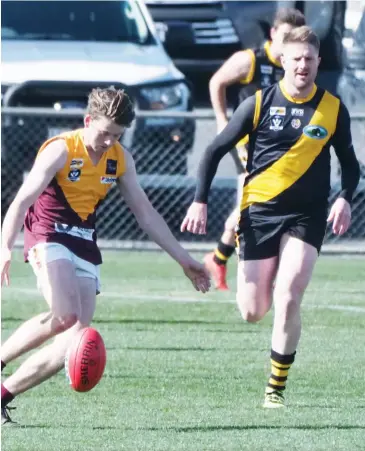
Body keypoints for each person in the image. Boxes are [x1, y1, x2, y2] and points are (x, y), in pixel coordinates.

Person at [0, 86, 210, 424]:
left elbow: (146, 214)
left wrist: (184, 260)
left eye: (117, 135)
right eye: (104, 133)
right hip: (48, 233)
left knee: (75, 336)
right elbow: (22, 200)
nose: (109, 141)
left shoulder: (120, 158)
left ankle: (3, 394)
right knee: (65, 315)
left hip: (84, 241)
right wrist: (4, 247)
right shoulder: (60, 150)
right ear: (88, 121)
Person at [181, 26, 360, 408]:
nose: (303, 66)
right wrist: (200, 201)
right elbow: (213, 150)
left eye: (310, 60)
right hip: (259, 213)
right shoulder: (259, 104)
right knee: (252, 310)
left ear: (318, 63)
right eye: (296, 59)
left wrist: (344, 198)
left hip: (306, 216)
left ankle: (275, 389)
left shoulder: (332, 108)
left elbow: (351, 164)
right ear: (283, 60)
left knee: (289, 293)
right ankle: (250, 280)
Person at [205, 7, 306, 290]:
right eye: (286, 35)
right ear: (273, 34)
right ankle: (250, 274)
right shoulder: (250, 60)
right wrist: (222, 120)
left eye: (296, 37)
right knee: (252, 204)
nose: (291, 41)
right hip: (248, 145)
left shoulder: (295, 65)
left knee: (247, 206)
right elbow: (217, 82)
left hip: (278, 149)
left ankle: (218, 257)